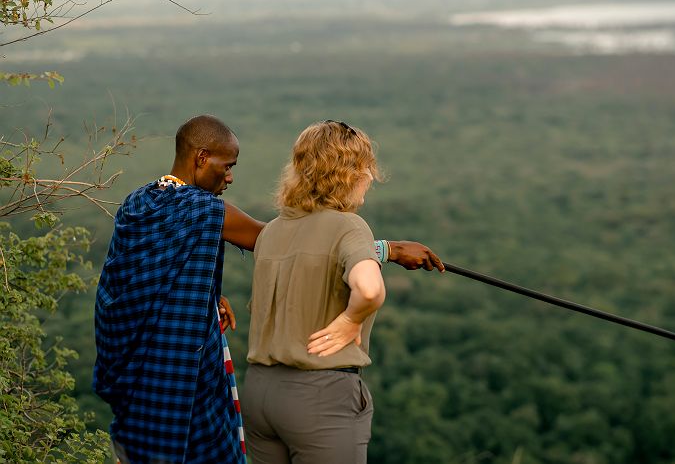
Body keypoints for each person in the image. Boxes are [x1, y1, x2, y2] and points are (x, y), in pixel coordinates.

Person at [93, 115, 443, 464]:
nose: (230, 177)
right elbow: (278, 242)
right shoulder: (203, 209)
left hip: (157, 377)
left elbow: (127, 283)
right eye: (226, 166)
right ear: (201, 158)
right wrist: (385, 251)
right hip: (185, 376)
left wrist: (206, 296)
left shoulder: (136, 204)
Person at [242, 120, 407, 464]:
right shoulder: (349, 225)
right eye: (366, 169)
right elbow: (370, 288)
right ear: (349, 173)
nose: (371, 178)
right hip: (319, 397)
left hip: (260, 394)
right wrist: (351, 319)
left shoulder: (272, 231)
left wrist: (389, 250)